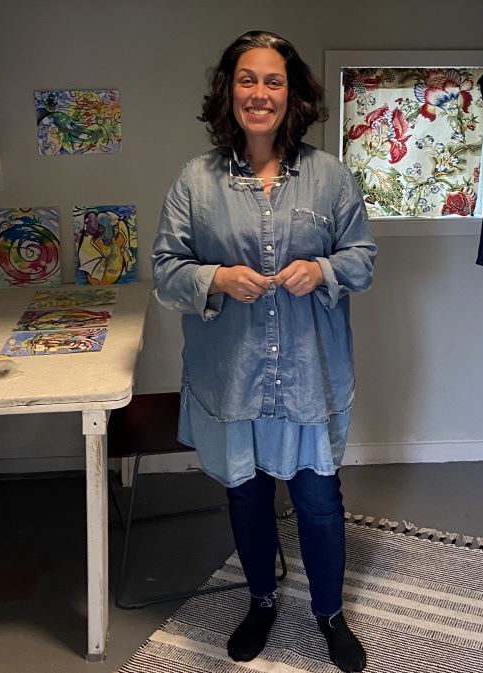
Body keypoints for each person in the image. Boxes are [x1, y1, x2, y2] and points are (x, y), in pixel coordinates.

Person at [152, 30, 377, 673]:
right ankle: (259, 601)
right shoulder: (195, 181)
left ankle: (330, 616)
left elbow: (362, 260)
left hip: (310, 376)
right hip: (233, 375)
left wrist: (324, 272)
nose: (259, 93)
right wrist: (216, 280)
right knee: (246, 494)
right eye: (246, 79)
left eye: (273, 81)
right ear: (228, 91)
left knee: (318, 500)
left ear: (292, 93)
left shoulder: (331, 177)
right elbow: (166, 269)